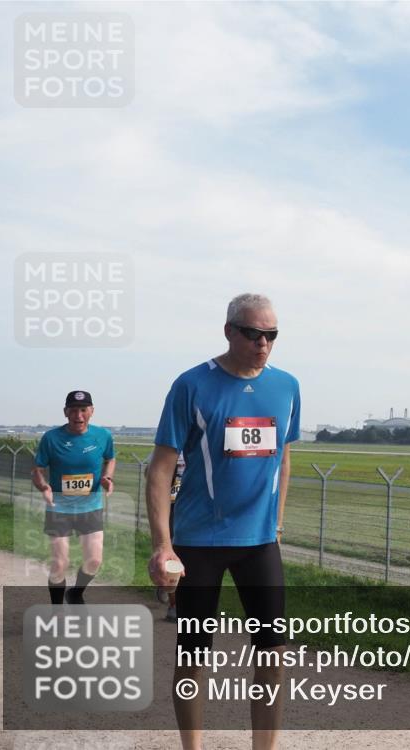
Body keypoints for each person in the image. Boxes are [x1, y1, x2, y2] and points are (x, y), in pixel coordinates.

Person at [146, 293, 300, 750]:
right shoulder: (192, 384)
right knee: (194, 654)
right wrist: (163, 544)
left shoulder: (287, 386)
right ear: (230, 330)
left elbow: (284, 457)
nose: (263, 343)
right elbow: (159, 468)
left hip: (258, 543)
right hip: (198, 542)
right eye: (253, 333)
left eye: (271, 335)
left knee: (274, 652)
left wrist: (276, 523)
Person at [31, 390, 116, 604]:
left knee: (94, 560)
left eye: (83, 410)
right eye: (74, 410)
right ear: (65, 412)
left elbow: (110, 459)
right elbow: (37, 469)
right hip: (59, 508)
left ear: (91, 411)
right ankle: (57, 609)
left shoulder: (103, 436)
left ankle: (76, 592)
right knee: (60, 564)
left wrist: (107, 477)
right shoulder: (51, 438)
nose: (78, 415)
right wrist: (43, 486)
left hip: (91, 506)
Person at [150, 450, 185, 622]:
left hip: (194, 509)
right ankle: (174, 605)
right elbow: (151, 472)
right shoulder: (171, 446)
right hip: (170, 510)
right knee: (172, 555)